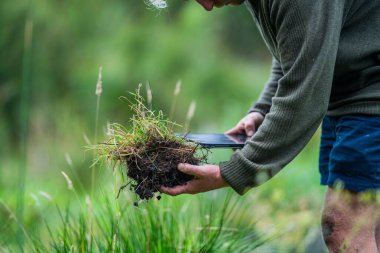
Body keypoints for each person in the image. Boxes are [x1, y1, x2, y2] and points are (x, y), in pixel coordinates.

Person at [160, 0, 380, 251]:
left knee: (345, 226)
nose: (207, 7)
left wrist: (231, 172)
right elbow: (295, 47)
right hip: (346, 93)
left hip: (370, 94)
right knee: (370, 223)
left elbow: (304, 97)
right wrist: (263, 109)